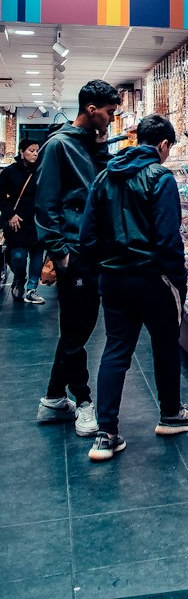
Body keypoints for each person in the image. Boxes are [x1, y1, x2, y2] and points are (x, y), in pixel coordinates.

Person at [80, 113, 188, 461]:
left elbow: (87, 235)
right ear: (163, 145)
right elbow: (168, 239)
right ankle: (170, 414)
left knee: (116, 349)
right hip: (152, 278)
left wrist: (100, 271)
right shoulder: (160, 177)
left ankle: (105, 434)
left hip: (113, 279)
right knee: (165, 344)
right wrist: (177, 281)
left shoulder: (104, 177)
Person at [33, 79, 121, 435]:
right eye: (109, 113)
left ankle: (54, 399)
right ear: (91, 109)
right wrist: (61, 253)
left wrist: (100, 148)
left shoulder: (89, 143)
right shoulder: (58, 146)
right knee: (77, 330)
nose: (111, 120)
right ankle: (83, 402)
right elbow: (46, 204)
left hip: (93, 250)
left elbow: (100, 185)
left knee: (76, 329)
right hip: (75, 253)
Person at [0, 138, 43, 303]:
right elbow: (1, 196)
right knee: (18, 256)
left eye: (37, 151)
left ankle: (32, 289)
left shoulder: (41, 170)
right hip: (17, 222)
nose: (35, 154)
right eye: (31, 150)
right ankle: (19, 278)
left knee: (37, 255)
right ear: (21, 152)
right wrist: (11, 214)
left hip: (37, 220)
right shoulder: (10, 172)